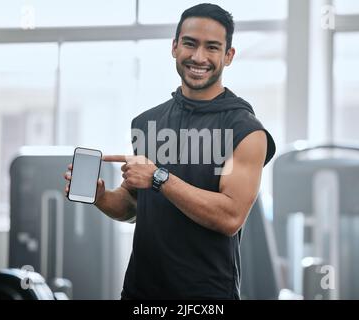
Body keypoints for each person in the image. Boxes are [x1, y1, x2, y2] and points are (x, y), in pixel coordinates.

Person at [64, 3, 275, 300]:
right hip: (141, 294)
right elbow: (134, 208)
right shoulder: (147, 123)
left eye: (212, 47)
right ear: (174, 47)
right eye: (190, 43)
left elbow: (230, 217)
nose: (198, 57)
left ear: (228, 56)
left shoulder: (245, 130)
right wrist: (101, 197)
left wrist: (158, 177)